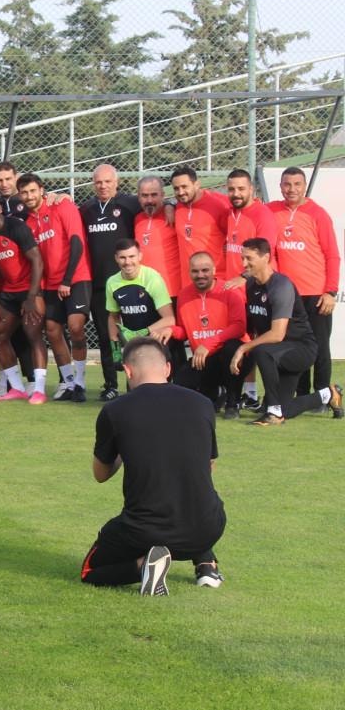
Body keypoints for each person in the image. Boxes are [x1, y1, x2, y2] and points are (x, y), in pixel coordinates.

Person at [81, 337, 226, 595]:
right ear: (168, 368)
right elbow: (208, 466)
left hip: (145, 531)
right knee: (191, 491)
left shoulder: (115, 410)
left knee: (89, 572)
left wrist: (123, 447)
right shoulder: (203, 404)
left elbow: (100, 474)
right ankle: (206, 564)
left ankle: (143, 567)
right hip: (209, 526)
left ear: (128, 371)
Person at [230, 238, 343, 425]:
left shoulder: (280, 286)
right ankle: (328, 394)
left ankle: (273, 413)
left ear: (266, 257)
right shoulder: (250, 285)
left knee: (260, 351)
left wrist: (243, 348)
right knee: (285, 409)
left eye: (249, 258)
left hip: (300, 348)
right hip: (278, 352)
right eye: (242, 258)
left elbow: (277, 334)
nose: (243, 264)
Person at [267, 166, 339, 400]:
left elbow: (332, 255)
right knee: (295, 345)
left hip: (316, 294)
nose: (292, 189)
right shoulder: (271, 210)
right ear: (280, 186)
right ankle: (301, 393)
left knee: (319, 346)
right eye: (287, 184)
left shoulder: (318, 214)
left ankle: (322, 394)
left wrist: (330, 292)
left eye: (297, 184)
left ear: (305, 186)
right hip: (289, 295)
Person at [20, 173, 93, 402]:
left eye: (33, 191)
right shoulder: (28, 223)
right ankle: (69, 383)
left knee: (76, 326)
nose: (29, 196)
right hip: (50, 284)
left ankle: (80, 381)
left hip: (76, 277)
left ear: (42, 190)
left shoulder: (62, 206)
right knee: (52, 331)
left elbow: (77, 242)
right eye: (24, 193)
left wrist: (67, 280)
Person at [0, 193, 48, 403]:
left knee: (33, 334)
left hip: (29, 291)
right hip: (8, 293)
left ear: (0, 209)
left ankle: (39, 390)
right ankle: (17, 388)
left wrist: (31, 296)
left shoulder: (16, 227)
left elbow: (37, 261)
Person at [80, 164, 142, 401]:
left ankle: (135, 385)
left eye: (107, 181)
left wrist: (168, 206)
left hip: (129, 283)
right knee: (106, 337)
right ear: (93, 184)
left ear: (116, 182)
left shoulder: (130, 204)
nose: (103, 186)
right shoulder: (86, 209)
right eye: (98, 182)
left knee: (132, 337)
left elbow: (155, 204)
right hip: (100, 286)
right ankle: (110, 385)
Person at [167, 252, 247, 418]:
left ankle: (233, 403)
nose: (200, 275)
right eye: (195, 271)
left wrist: (208, 344)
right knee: (181, 383)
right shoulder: (184, 295)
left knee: (231, 347)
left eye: (205, 270)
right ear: (189, 272)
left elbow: (239, 327)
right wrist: (170, 330)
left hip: (233, 357)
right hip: (203, 360)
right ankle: (215, 393)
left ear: (214, 270)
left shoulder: (230, 291)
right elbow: (183, 331)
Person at [105, 238, 175, 355]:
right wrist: (116, 351)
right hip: (132, 344)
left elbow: (169, 319)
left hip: (155, 340)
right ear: (116, 258)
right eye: (122, 257)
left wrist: (142, 333)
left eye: (132, 256)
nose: (127, 262)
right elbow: (113, 317)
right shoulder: (112, 282)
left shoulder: (153, 278)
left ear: (140, 256)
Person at [171, 166, 231, 288]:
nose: (181, 192)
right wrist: (168, 205)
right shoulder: (178, 207)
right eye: (176, 188)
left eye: (184, 187)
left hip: (215, 282)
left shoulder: (218, 205)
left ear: (197, 184)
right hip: (189, 284)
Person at [134, 176, 181, 298]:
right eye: (144, 195)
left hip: (171, 291)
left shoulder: (175, 215)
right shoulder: (137, 219)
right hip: (145, 290)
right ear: (138, 197)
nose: (149, 200)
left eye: (154, 195)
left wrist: (170, 205)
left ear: (163, 195)